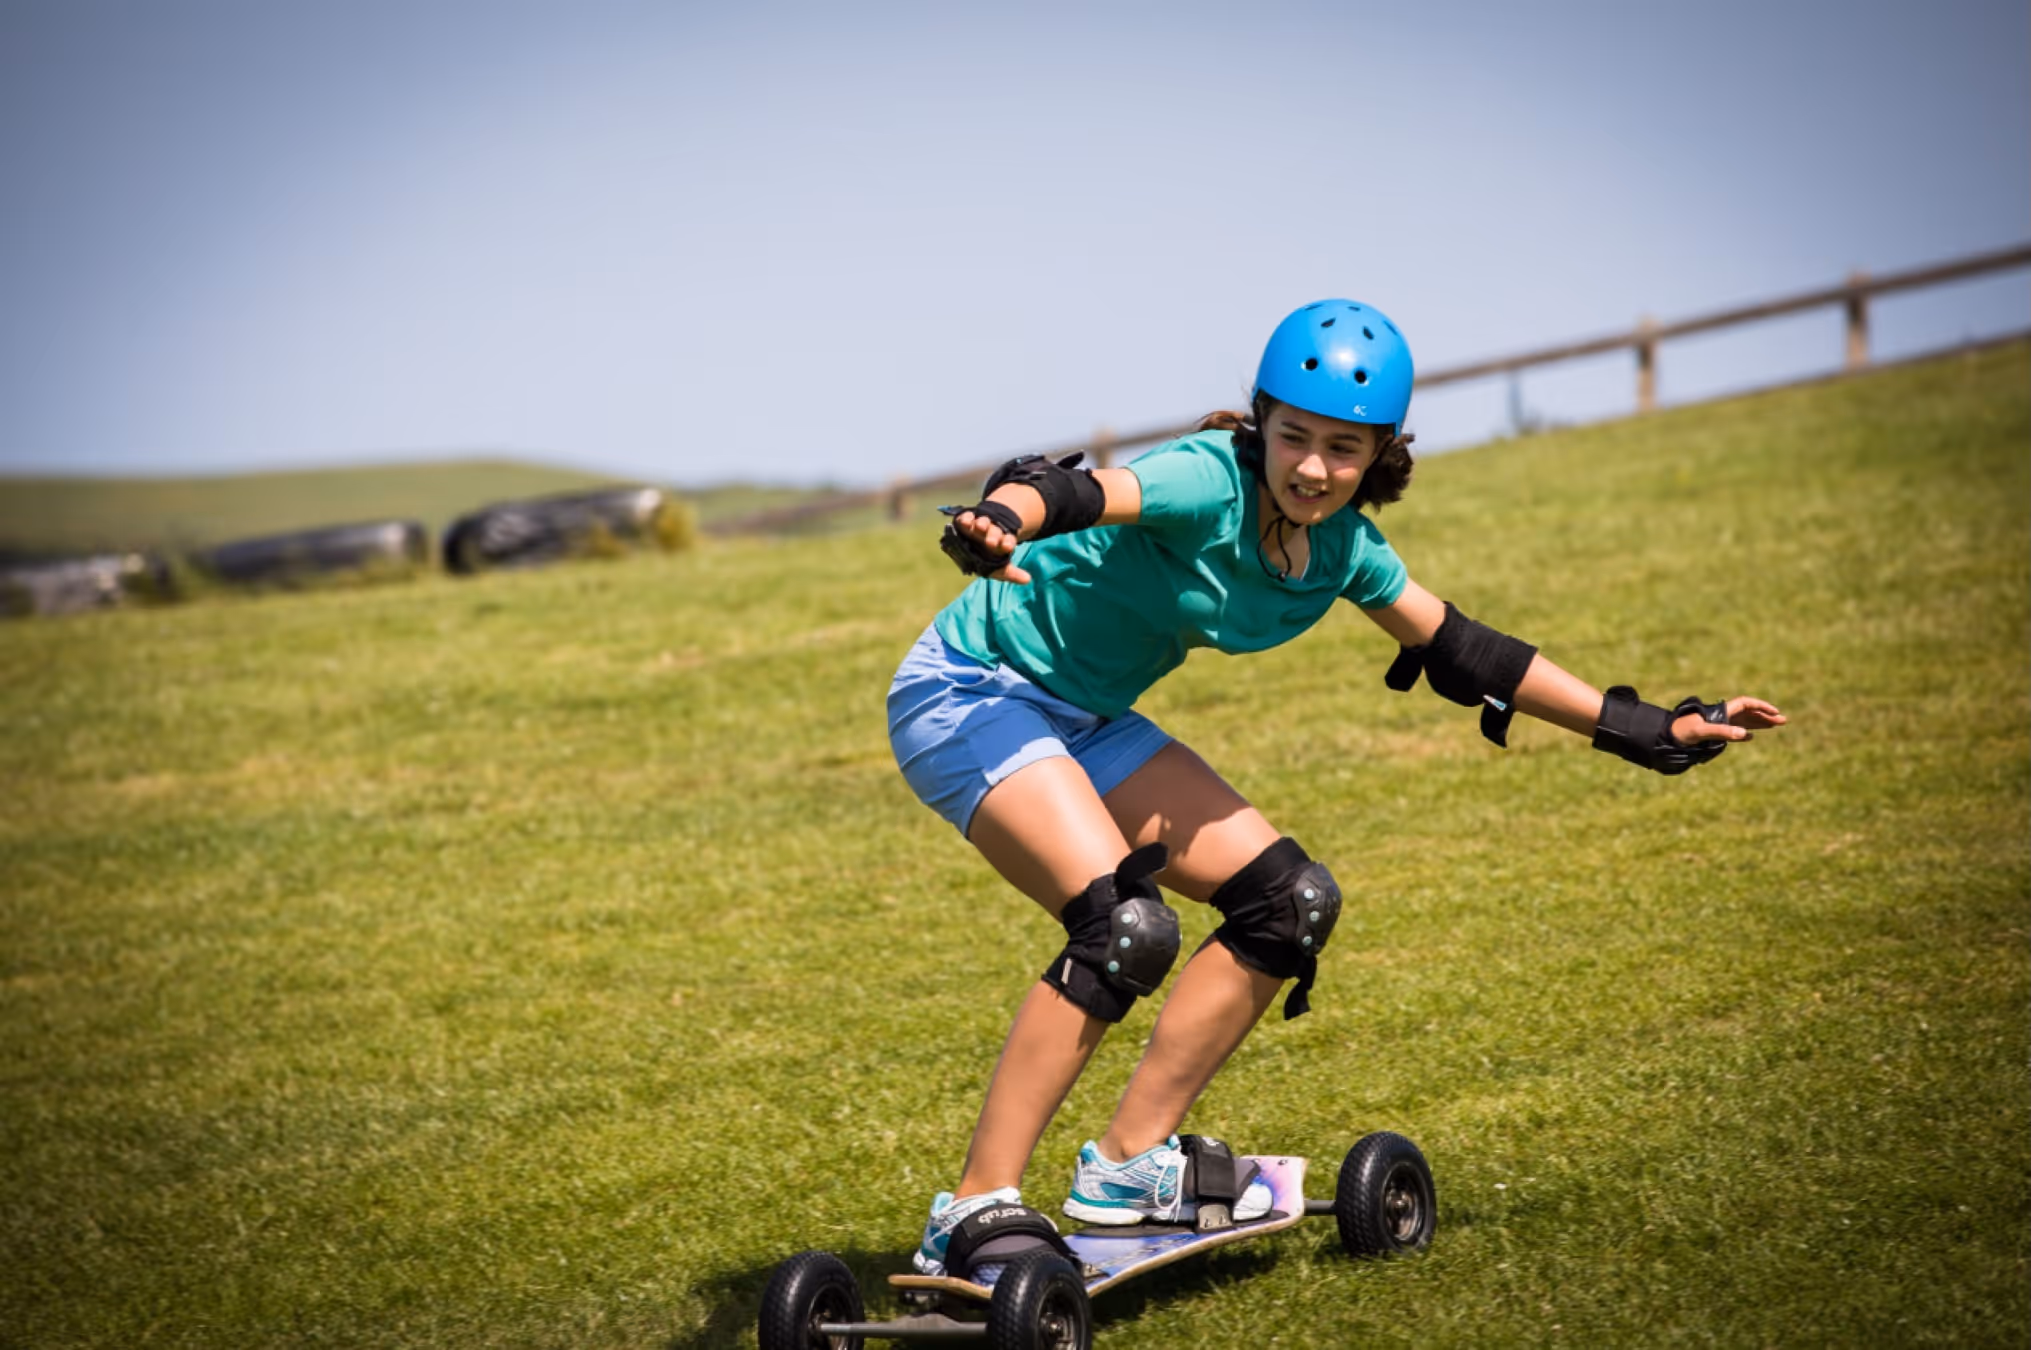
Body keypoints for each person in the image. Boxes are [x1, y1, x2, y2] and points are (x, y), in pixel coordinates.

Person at [885, 299, 1785, 1276]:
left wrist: (1647, 727)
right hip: (972, 689)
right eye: (1294, 437)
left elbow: (1467, 649)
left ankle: (1128, 1168)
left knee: (1289, 903)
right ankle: (974, 1206)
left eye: (1343, 449)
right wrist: (996, 523)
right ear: (1261, 423)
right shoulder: (1206, 480)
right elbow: (1067, 491)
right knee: (1123, 926)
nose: (1312, 467)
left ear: (1379, 452)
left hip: (1090, 718)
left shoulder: (1344, 548)